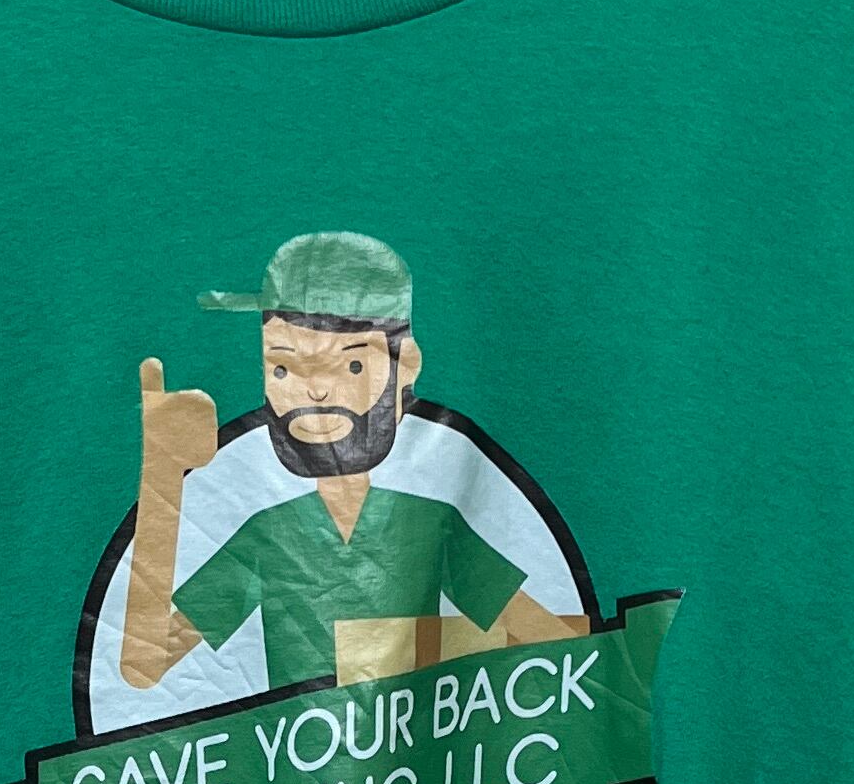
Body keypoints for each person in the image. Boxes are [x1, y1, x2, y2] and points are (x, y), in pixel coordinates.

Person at [117, 230, 589, 693]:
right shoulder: (268, 536)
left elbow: (558, 642)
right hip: (299, 747)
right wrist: (162, 475)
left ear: (405, 366)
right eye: (283, 368)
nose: (317, 391)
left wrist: (444, 660)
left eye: (353, 365)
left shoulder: (429, 524)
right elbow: (145, 665)